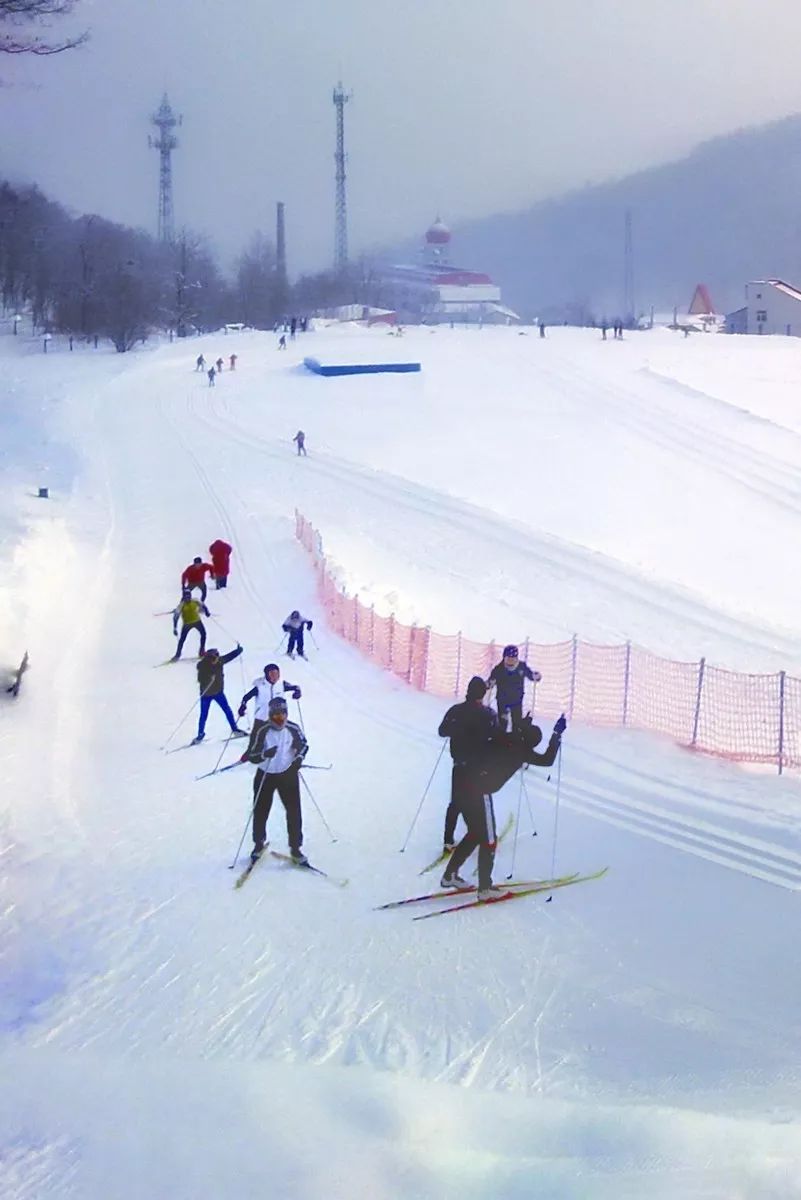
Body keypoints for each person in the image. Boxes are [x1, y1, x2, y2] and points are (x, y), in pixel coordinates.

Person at [441, 713, 567, 900]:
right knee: (489, 840)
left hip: (464, 784)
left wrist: (522, 725)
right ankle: (485, 888)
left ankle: (449, 876)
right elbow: (547, 760)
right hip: (479, 791)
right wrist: (557, 734)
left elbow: (508, 734)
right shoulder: (523, 750)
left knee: (476, 833)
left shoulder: (509, 739)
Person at [244, 695, 309, 864]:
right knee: (261, 810)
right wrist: (265, 754)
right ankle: (258, 844)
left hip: (288, 774)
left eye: (283, 714)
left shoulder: (293, 728)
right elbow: (251, 756)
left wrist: (298, 760)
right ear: (270, 715)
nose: (280, 719)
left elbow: (304, 745)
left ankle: (296, 848)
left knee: (294, 811)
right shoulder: (262, 730)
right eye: (276, 715)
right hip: (266, 774)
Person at [438, 676, 498, 854]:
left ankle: (448, 841)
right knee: (484, 803)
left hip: (460, 765)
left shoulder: (455, 711)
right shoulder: (488, 714)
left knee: (456, 803)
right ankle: (489, 840)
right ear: (483, 694)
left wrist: (457, 728)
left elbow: (442, 731)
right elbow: (498, 738)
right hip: (480, 768)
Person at [193, 645, 246, 743]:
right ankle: (200, 734)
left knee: (227, 710)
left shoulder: (220, 661)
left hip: (218, 692)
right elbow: (200, 679)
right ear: (208, 658)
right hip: (206, 694)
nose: (215, 660)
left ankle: (235, 729)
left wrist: (238, 651)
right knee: (203, 715)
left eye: (216, 657)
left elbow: (230, 656)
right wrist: (209, 678)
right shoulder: (202, 666)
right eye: (213, 658)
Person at [488, 645, 541, 732]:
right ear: (504, 658)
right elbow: (491, 681)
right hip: (502, 701)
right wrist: (489, 683)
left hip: (516, 701)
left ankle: (515, 741)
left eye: (513, 658)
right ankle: (501, 741)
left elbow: (530, 675)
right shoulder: (499, 669)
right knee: (502, 724)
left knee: (517, 724)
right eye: (508, 658)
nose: (511, 661)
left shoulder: (521, 667)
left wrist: (536, 677)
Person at [238, 663, 301, 733]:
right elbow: (246, 697)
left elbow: (296, 687)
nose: (275, 677)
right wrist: (242, 706)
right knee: (260, 737)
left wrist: (297, 692)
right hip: (262, 718)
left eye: (277, 674)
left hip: (278, 718)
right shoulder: (260, 686)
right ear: (267, 675)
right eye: (272, 675)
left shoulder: (281, 684)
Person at [171, 590, 210, 659]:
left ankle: (202, 651)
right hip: (187, 624)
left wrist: (206, 611)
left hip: (197, 621)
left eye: (188, 596)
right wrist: (175, 627)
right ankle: (177, 654)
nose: (187, 597)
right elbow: (175, 617)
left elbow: (203, 605)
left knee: (203, 634)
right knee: (182, 639)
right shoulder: (181, 605)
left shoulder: (195, 601)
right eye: (186, 596)